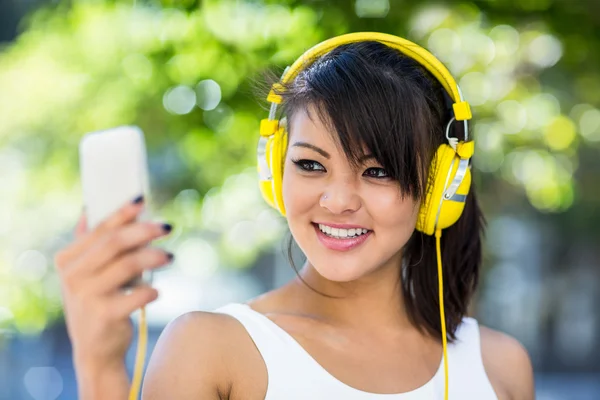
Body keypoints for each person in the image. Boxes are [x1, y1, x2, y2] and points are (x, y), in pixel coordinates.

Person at [54, 33, 535, 399]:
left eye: (378, 170)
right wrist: (99, 371)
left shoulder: (501, 366)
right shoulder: (211, 348)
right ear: (274, 171)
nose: (337, 200)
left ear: (441, 187)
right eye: (310, 164)